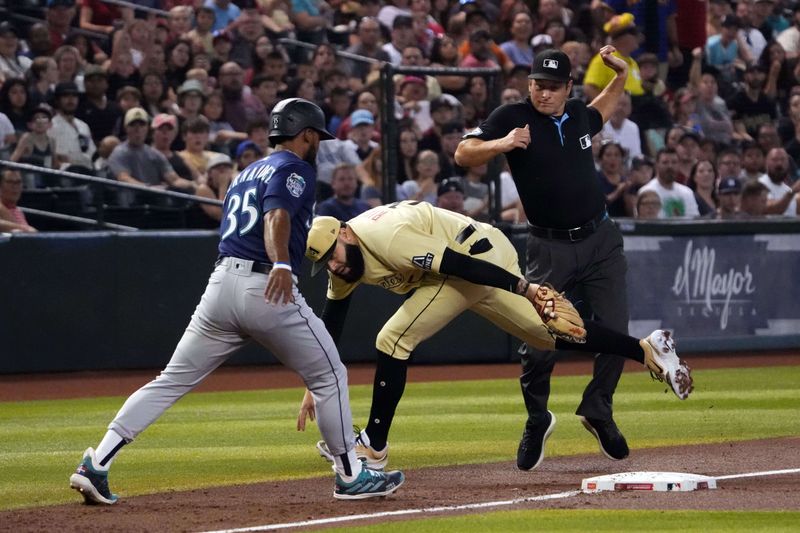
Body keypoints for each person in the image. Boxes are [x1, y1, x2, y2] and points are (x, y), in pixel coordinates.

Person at [68, 98, 405, 506]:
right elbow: (275, 215)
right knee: (330, 373)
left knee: (171, 379)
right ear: (307, 135)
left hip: (221, 282)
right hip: (265, 284)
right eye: (317, 136)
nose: (319, 143)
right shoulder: (294, 167)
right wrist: (281, 262)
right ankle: (350, 475)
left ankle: (96, 462)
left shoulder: (245, 171)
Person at [299, 202, 692, 470]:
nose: (333, 265)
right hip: (474, 258)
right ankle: (645, 348)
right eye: (325, 262)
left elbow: (457, 264)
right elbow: (332, 318)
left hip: (474, 259)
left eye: (333, 254)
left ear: (346, 233)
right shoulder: (344, 263)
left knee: (393, 339)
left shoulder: (387, 237)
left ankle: (374, 446)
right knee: (546, 334)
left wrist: (524, 288)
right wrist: (316, 382)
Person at [453, 47, 640, 470]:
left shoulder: (577, 114)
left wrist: (622, 75)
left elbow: (601, 109)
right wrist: (503, 143)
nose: (544, 93)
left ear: (568, 87)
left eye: (553, 87)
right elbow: (463, 154)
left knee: (616, 331)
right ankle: (538, 418)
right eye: (538, 84)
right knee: (538, 340)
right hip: (549, 246)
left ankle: (598, 408)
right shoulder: (512, 116)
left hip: (600, 241)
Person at [638, 148, 701, 218]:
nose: (670, 166)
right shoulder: (646, 191)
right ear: (656, 165)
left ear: (679, 165)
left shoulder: (687, 192)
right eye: (665, 162)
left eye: (674, 162)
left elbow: (694, 221)